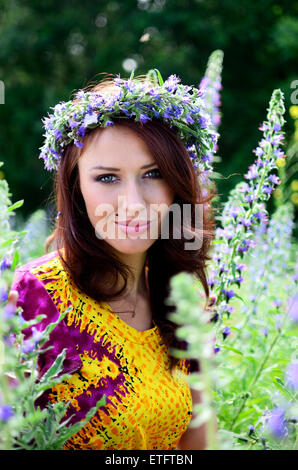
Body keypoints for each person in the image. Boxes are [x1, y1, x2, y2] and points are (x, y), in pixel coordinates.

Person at [9, 70, 218, 450]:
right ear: (76, 189)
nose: (134, 204)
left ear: (178, 183)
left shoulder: (183, 298)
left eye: (152, 174)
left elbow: (197, 439)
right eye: (107, 178)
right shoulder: (30, 299)